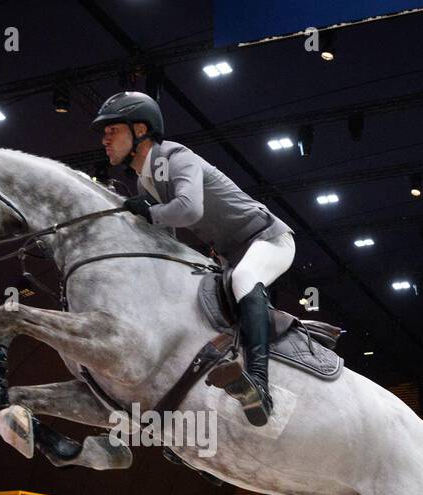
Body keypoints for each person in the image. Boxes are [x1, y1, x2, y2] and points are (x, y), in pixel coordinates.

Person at [91, 91, 295, 426]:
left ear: (140, 129)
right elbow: (166, 240)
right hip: (231, 256)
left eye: (111, 131)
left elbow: (189, 209)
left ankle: (260, 383)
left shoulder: (175, 156)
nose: (104, 140)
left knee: (246, 280)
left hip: (267, 239)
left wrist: (150, 212)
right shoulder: (146, 181)